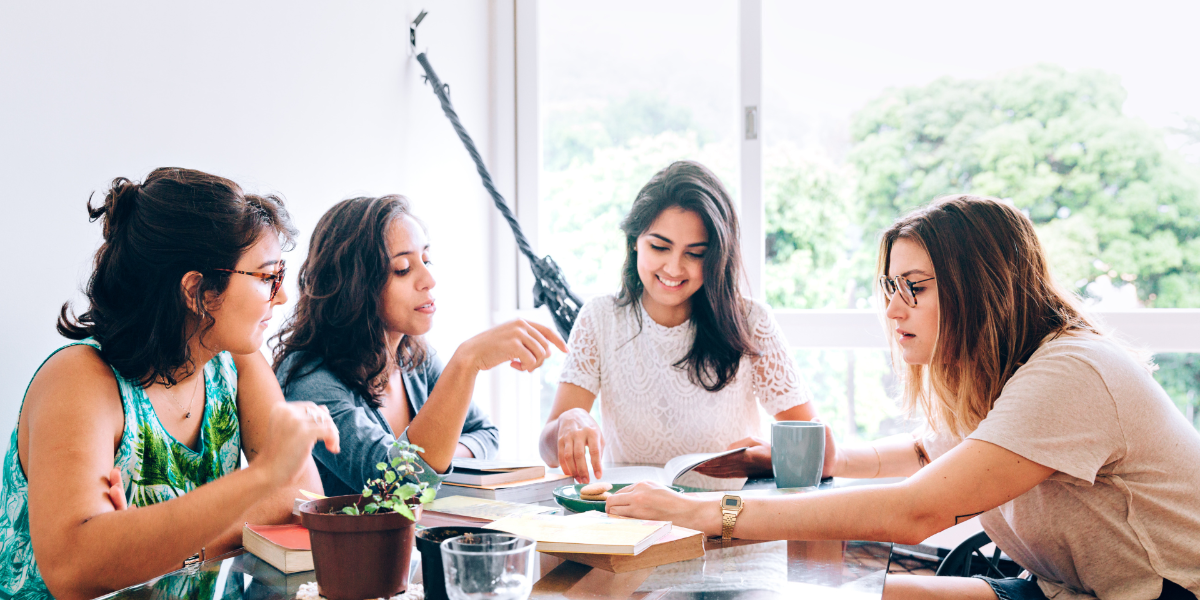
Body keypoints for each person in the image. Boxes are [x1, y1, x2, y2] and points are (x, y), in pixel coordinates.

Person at [606, 195, 1200, 600]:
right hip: (1068, 588)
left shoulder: (1072, 374)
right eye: (891, 287)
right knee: (836, 586)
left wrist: (708, 512)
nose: (892, 310)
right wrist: (825, 461)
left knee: (830, 585)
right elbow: (925, 453)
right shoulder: (1000, 379)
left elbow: (916, 511)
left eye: (914, 288)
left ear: (982, 290)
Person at [0, 168, 340, 600]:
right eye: (267, 277)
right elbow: (73, 570)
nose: (282, 295)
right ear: (197, 291)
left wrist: (138, 540)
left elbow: (300, 499)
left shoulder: (236, 360)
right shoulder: (80, 379)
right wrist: (260, 479)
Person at [539, 160, 834, 485]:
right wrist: (571, 419)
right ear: (635, 241)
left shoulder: (751, 322)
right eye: (660, 247)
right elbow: (549, 451)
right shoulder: (600, 319)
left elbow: (821, 454)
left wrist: (765, 458)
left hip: (728, 523)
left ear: (718, 256)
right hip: (635, 526)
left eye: (695, 254)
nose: (674, 268)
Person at [273, 195, 566, 495]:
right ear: (354, 284)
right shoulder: (309, 382)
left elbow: (486, 435)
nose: (429, 279)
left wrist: (434, 462)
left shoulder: (414, 359)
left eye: (426, 260)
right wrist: (467, 360)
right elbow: (397, 483)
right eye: (402, 268)